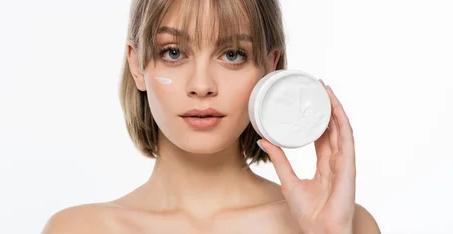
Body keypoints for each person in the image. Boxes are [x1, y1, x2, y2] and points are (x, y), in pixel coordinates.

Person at [43, 0, 380, 233]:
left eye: (232, 55)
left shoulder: (349, 225)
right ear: (136, 64)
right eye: (173, 52)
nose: (201, 85)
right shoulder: (78, 230)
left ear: (270, 67)